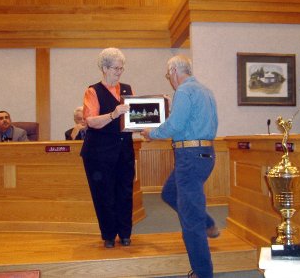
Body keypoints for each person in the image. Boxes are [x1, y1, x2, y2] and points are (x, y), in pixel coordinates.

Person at [141, 55, 219, 278]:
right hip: (205, 155)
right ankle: (208, 223)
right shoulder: (205, 90)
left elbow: (174, 125)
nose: (169, 79)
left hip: (190, 157)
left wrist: (151, 133)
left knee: (190, 218)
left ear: (174, 70)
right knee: (169, 193)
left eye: (168, 75)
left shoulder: (184, 91)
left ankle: (203, 273)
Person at [80, 48, 135, 249]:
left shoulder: (128, 89)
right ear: (104, 68)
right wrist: (113, 114)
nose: (119, 72)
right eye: (115, 68)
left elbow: (132, 120)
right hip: (99, 154)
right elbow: (91, 121)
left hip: (124, 152)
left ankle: (126, 233)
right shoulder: (93, 91)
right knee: (104, 194)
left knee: (125, 191)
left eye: (121, 68)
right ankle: (109, 235)